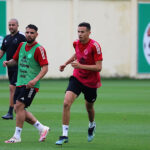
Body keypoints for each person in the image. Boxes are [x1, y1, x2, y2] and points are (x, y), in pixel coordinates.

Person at [56, 22, 103, 145]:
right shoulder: (76, 43)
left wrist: (80, 65)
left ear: (89, 33)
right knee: (66, 103)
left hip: (91, 82)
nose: (80, 34)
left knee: (89, 107)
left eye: (82, 32)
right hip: (77, 78)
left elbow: (99, 67)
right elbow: (77, 54)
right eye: (78, 31)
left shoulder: (95, 46)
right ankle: (64, 135)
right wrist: (66, 63)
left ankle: (92, 124)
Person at [3, 24, 49, 143]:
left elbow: (45, 68)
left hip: (31, 85)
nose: (29, 35)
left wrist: (35, 80)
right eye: (27, 32)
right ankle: (42, 128)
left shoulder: (39, 49)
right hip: (20, 82)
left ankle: (17, 137)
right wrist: (8, 62)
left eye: (32, 33)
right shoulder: (22, 45)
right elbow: (15, 60)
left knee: (18, 107)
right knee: (18, 110)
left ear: (36, 35)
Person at [0, 18, 26, 120]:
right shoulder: (6, 38)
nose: (11, 27)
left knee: (12, 88)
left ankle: (11, 112)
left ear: (17, 26)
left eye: (13, 25)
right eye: (9, 25)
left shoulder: (21, 37)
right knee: (14, 89)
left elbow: (27, 50)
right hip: (10, 68)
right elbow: (2, 51)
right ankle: (18, 110)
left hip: (19, 67)